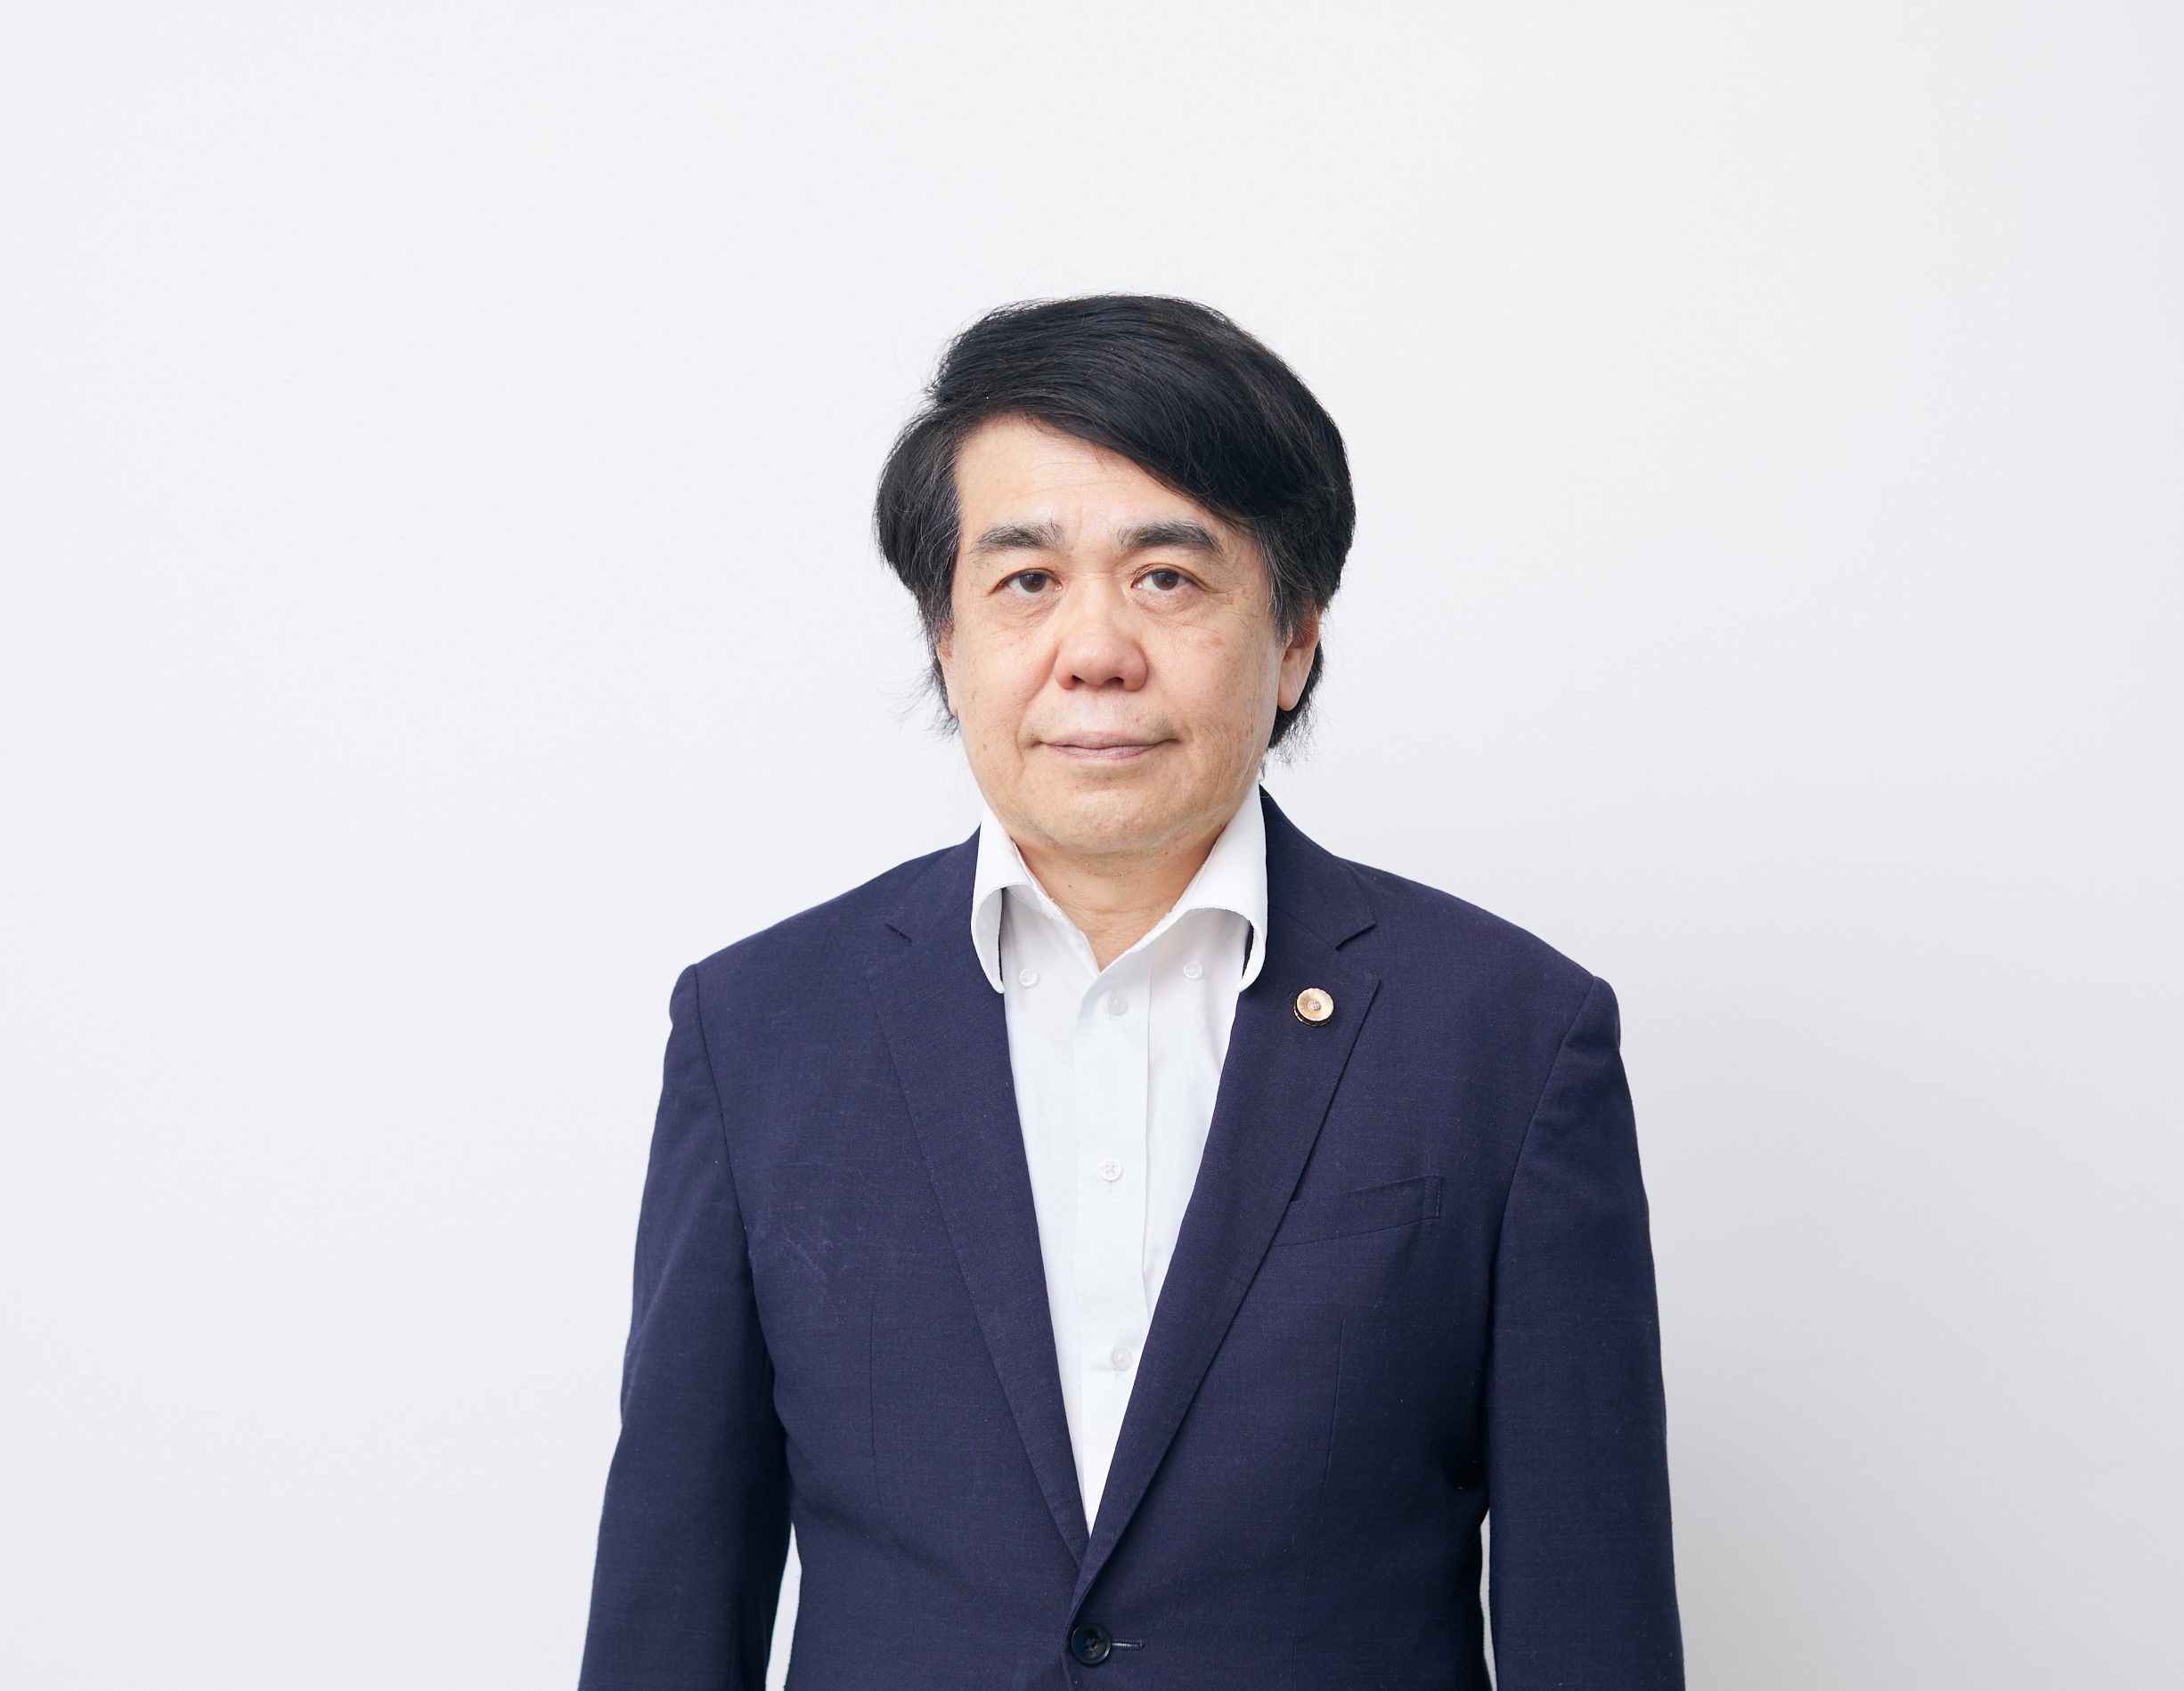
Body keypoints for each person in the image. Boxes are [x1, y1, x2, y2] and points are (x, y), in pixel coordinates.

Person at [577, 296, 1683, 1689]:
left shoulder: (1509, 1037)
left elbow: (1592, 1613)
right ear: (945, 637)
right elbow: (673, 1601)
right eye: (1026, 581)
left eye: (1167, 577)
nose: (1094, 649)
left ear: (1294, 638)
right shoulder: (759, 1031)